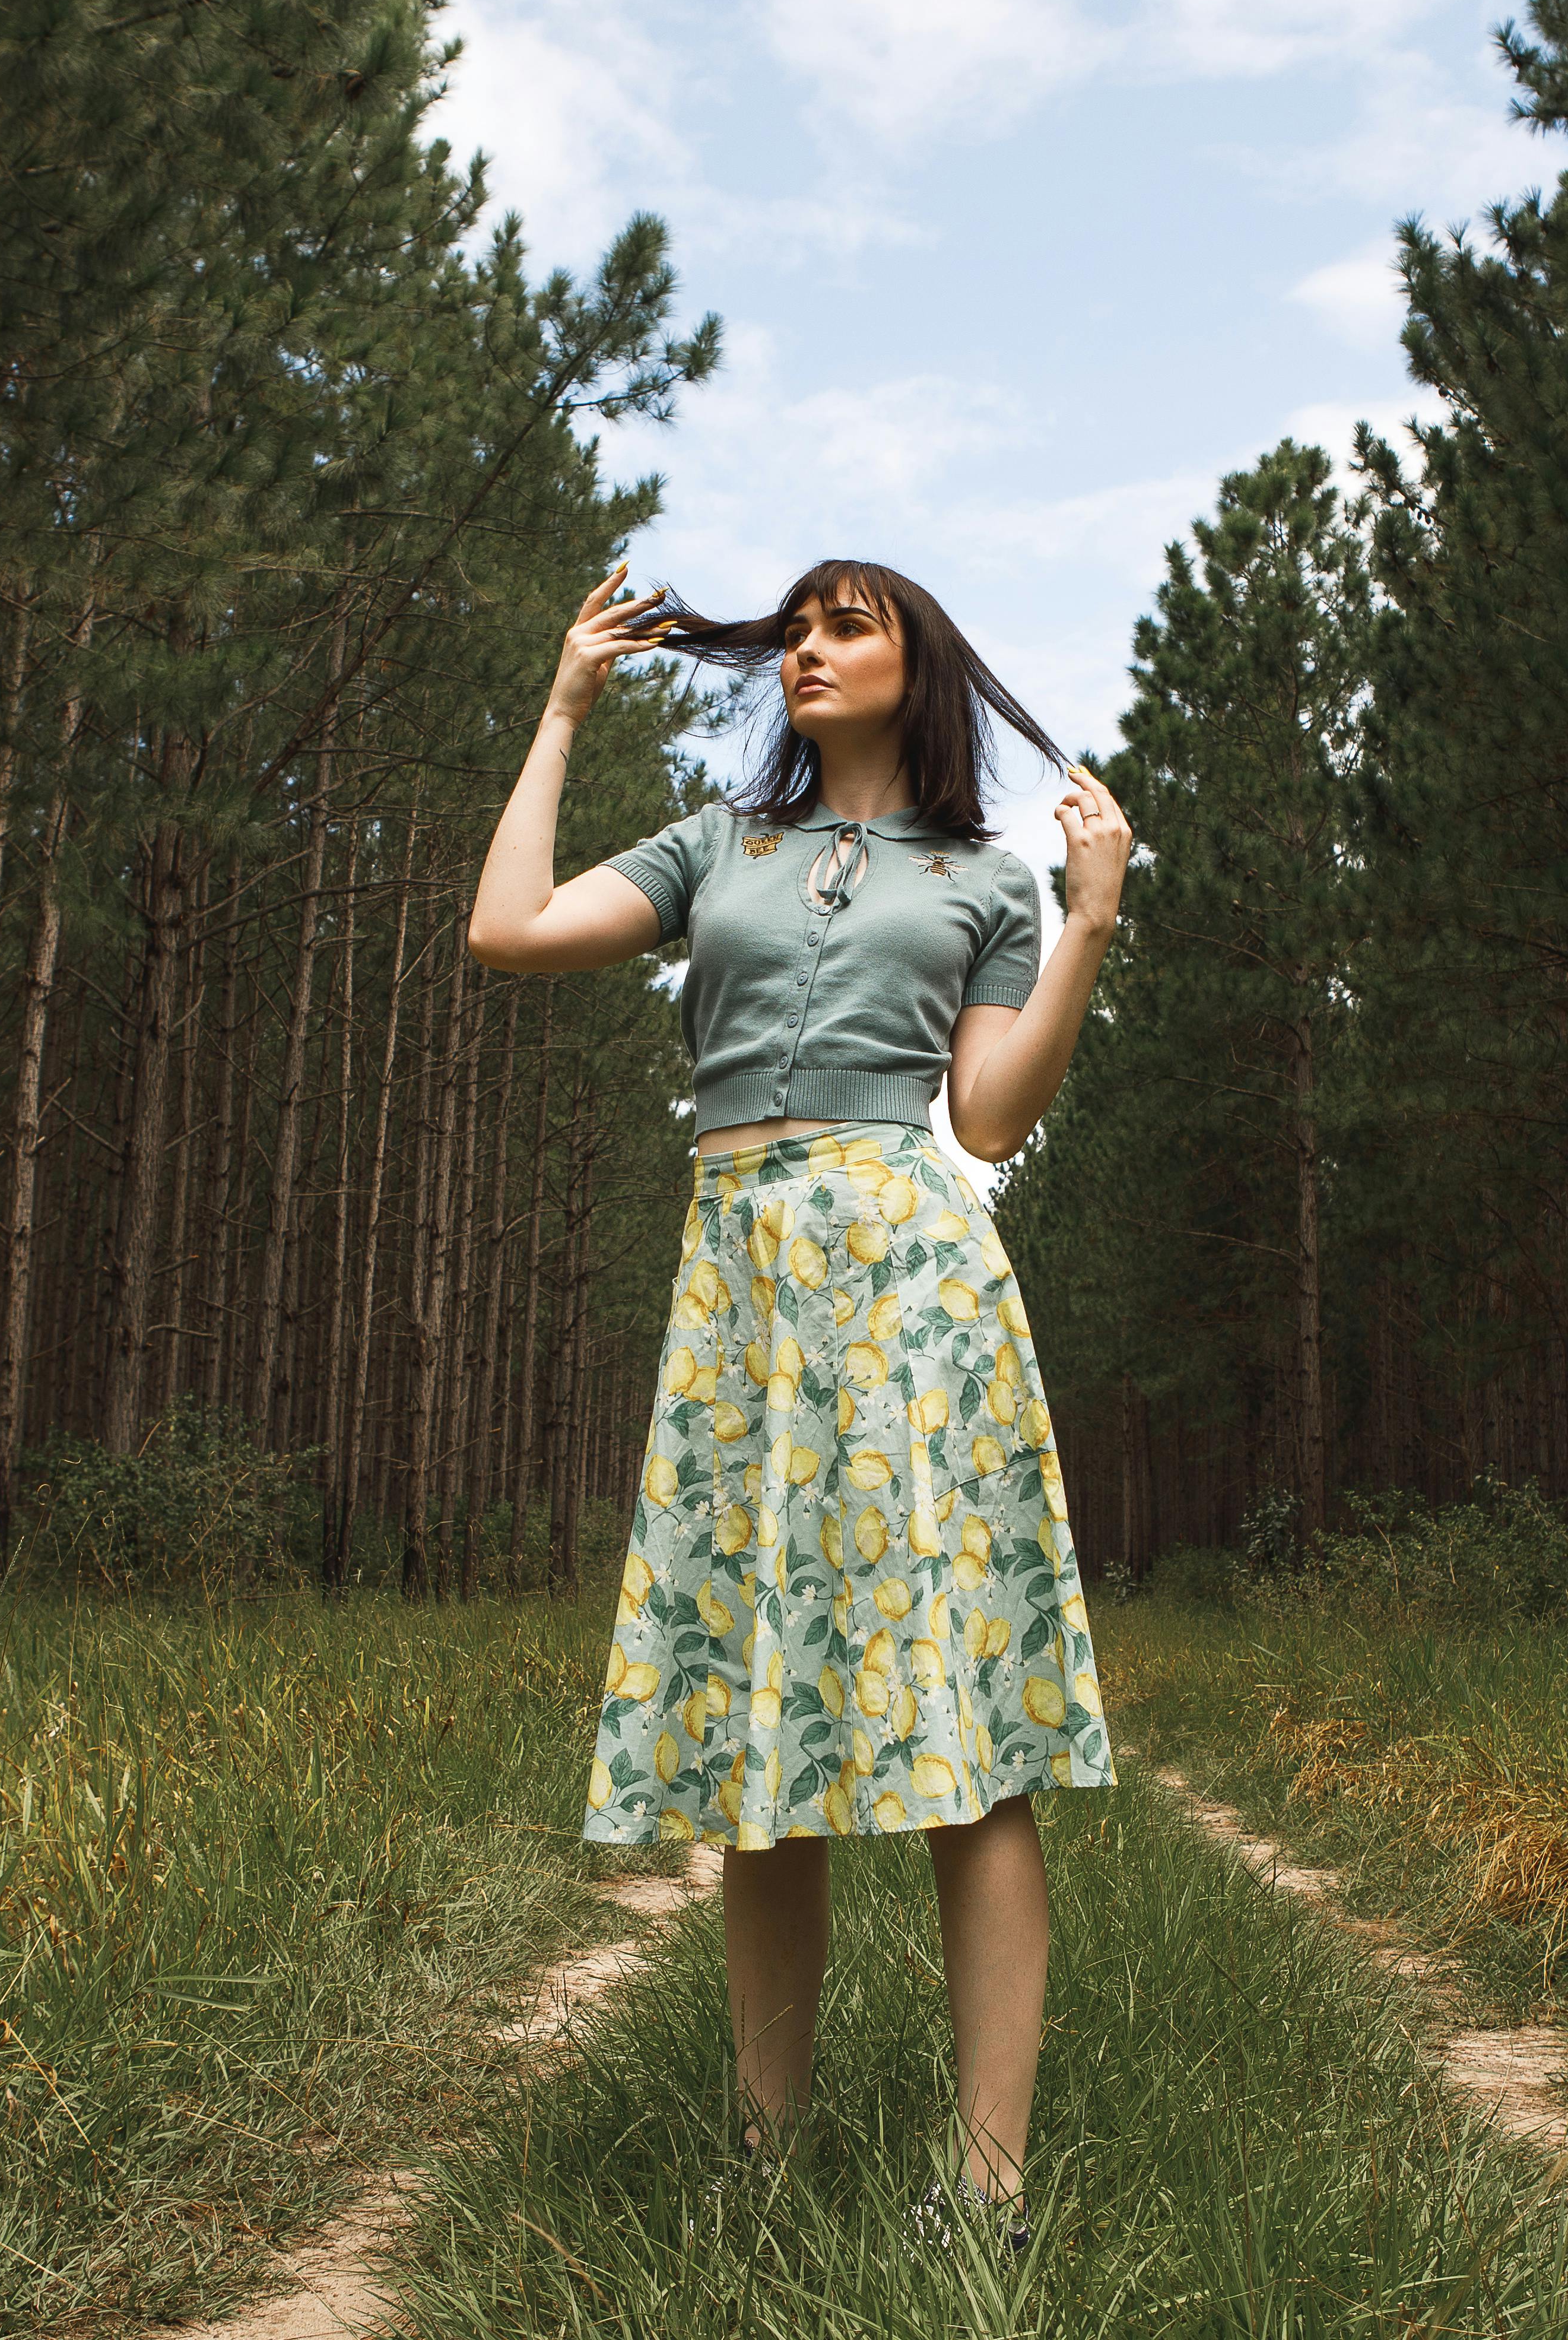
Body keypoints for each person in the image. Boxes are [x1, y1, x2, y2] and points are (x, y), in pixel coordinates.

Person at [465, 554, 1132, 2247]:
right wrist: (563, 705)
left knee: (964, 1739)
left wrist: (1091, 924)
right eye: (803, 629)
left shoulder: (986, 879)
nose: (813, 652)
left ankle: (989, 2192)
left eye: (853, 627)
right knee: (770, 1731)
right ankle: (763, 2172)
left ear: (924, 668)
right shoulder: (717, 846)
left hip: (912, 1294)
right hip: (742, 1293)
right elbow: (510, 928)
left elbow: (984, 1121)